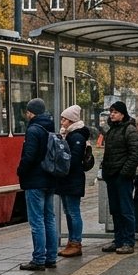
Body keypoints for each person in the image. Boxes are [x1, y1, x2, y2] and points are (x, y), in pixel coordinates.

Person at [16, 98, 59, 270]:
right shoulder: (50, 126)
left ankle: (39, 259)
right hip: (49, 179)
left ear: (30, 112)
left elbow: (30, 156)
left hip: (35, 181)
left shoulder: (33, 129)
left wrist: (20, 170)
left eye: (27, 111)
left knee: (37, 221)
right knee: (49, 219)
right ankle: (51, 257)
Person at [100, 101, 138, 254]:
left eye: (115, 112)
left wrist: (124, 173)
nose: (112, 114)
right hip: (111, 175)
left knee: (126, 209)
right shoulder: (111, 130)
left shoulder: (130, 130)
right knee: (115, 210)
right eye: (111, 111)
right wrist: (104, 169)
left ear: (123, 114)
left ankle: (128, 241)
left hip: (122, 177)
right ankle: (118, 240)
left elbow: (135, 154)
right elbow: (108, 153)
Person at [56, 104, 91, 258]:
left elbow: (74, 160)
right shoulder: (68, 135)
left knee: (73, 212)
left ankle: (76, 242)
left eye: (64, 119)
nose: (62, 121)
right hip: (67, 180)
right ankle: (72, 242)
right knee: (69, 212)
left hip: (72, 180)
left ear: (71, 120)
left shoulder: (76, 137)